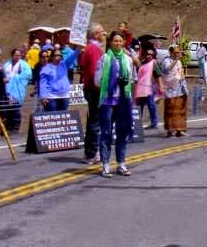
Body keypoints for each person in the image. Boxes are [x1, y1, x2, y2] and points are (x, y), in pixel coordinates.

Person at [95, 31, 136, 177]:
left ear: (124, 42)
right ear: (110, 43)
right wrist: (112, 83)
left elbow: (132, 79)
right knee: (106, 132)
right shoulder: (105, 58)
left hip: (123, 100)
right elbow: (97, 81)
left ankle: (121, 163)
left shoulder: (128, 60)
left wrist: (125, 83)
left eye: (120, 41)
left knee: (122, 132)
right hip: (108, 101)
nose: (118, 43)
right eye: (115, 41)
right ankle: (105, 165)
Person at [78, 23, 107, 164]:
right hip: (95, 89)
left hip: (90, 88)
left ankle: (91, 152)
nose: (103, 35)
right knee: (95, 121)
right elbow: (96, 71)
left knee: (93, 120)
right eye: (102, 32)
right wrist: (102, 88)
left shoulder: (88, 48)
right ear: (95, 34)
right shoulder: (94, 49)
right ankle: (92, 153)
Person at [39, 46, 77, 111]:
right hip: (51, 96)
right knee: (52, 118)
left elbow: (72, 57)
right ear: (51, 57)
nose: (58, 57)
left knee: (62, 118)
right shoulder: (46, 68)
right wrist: (43, 96)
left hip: (64, 96)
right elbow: (43, 83)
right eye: (56, 55)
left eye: (60, 55)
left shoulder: (64, 64)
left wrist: (78, 49)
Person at [3, 48, 31, 132]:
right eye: (16, 55)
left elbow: (28, 74)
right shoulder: (7, 64)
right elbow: (3, 73)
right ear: (12, 55)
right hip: (7, 89)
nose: (18, 57)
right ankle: (8, 127)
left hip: (17, 90)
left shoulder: (24, 64)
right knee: (7, 109)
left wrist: (15, 78)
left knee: (16, 109)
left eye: (19, 55)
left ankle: (15, 127)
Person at [162, 44, 188, 137]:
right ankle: (170, 130)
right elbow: (167, 69)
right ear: (171, 52)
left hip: (180, 88)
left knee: (181, 110)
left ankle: (179, 130)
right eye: (176, 53)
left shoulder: (179, 62)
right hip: (171, 89)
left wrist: (183, 78)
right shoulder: (166, 60)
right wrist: (176, 59)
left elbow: (180, 71)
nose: (178, 54)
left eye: (179, 52)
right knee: (171, 109)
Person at [135, 48, 163, 130]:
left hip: (150, 87)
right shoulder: (142, 63)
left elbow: (158, 75)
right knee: (139, 106)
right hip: (140, 88)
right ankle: (137, 124)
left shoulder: (153, 63)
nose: (149, 56)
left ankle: (154, 123)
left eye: (151, 55)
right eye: (148, 54)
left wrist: (160, 86)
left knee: (151, 105)